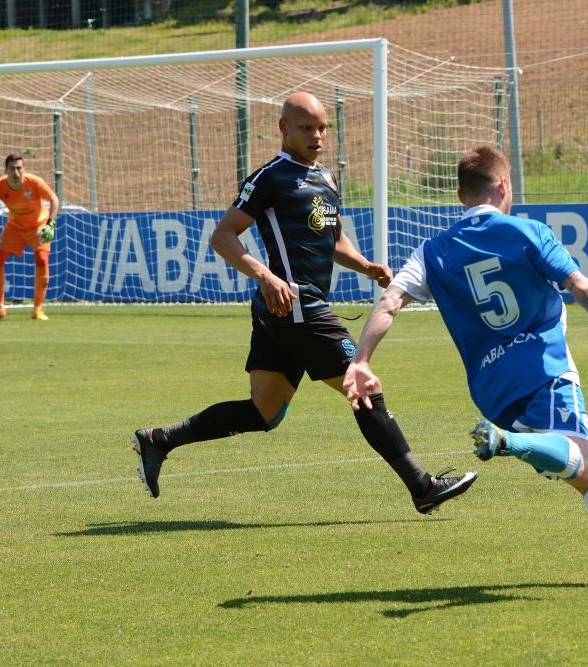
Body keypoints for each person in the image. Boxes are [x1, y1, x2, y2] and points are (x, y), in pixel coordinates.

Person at [343, 145, 588, 585]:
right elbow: (581, 287)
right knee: (583, 462)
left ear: (460, 196)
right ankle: (507, 443)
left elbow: (389, 301)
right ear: (503, 186)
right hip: (544, 370)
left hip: (491, 388)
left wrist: (361, 359)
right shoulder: (528, 232)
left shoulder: (430, 251)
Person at [132, 92, 477, 514]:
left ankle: (158, 440)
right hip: (297, 305)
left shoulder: (328, 179)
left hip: (287, 311)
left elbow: (333, 241)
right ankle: (423, 487)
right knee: (363, 385)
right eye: (306, 128)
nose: (316, 136)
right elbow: (223, 236)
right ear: (283, 128)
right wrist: (265, 275)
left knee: (264, 411)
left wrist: (366, 266)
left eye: (322, 127)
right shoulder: (269, 178)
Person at [0, 154, 60, 321]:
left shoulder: (34, 182)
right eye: (12, 168)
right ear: (6, 170)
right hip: (14, 227)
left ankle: (38, 309)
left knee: (41, 259)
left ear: (24, 169)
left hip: (38, 226)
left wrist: (50, 224)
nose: (16, 172)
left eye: (19, 168)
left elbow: (54, 199)